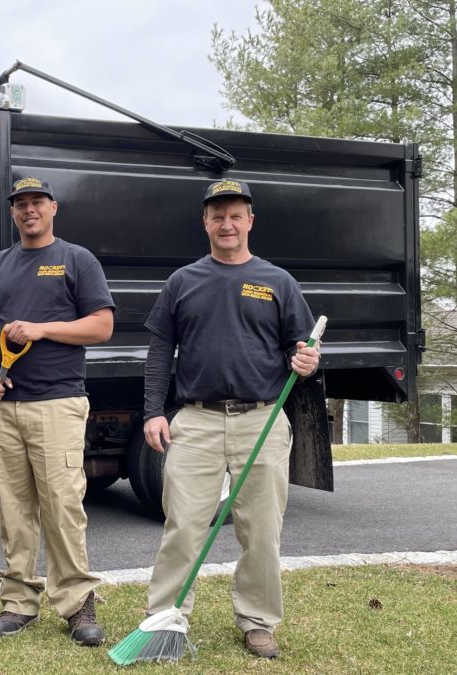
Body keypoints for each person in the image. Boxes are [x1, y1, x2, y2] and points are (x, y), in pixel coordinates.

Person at [142, 178, 320, 658]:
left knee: (261, 530)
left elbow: (301, 351)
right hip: (195, 421)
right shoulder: (182, 281)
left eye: (235, 215)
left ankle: (257, 621)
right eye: (217, 215)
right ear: (205, 222)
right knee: (183, 525)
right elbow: (160, 351)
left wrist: (306, 363)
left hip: (261, 420)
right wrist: (153, 413)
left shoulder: (279, 281)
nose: (226, 223)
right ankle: (165, 619)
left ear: (249, 222)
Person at [0, 176, 114, 646]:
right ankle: (18, 602)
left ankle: (77, 604)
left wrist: (43, 330)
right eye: (21, 204)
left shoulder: (76, 259)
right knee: (12, 507)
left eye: (37, 203)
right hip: (3, 408)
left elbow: (102, 326)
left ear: (53, 208)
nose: (29, 211)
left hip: (58, 404)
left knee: (63, 506)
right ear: (13, 213)